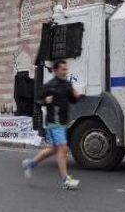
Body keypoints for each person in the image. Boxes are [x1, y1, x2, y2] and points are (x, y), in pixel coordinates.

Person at [22, 60, 82, 190]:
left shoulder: (67, 84)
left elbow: (72, 100)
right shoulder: (49, 85)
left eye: (66, 70)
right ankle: (65, 180)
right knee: (63, 149)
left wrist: (76, 96)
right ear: (55, 71)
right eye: (63, 70)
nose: (65, 72)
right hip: (53, 123)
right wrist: (45, 100)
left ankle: (30, 164)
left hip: (63, 122)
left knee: (55, 150)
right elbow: (38, 101)